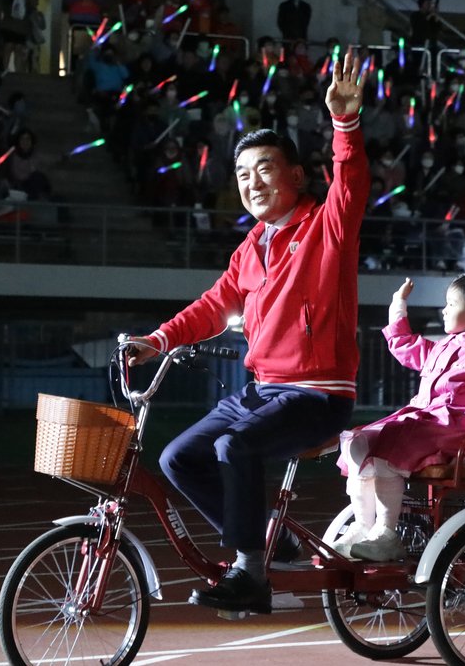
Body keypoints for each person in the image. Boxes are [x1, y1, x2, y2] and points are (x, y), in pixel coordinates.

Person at [122, 49, 369, 615]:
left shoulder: (326, 228)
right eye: (241, 174)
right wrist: (156, 340)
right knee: (179, 458)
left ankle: (250, 573)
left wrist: (345, 124)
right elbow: (214, 306)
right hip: (261, 392)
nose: (251, 181)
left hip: (318, 395)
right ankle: (269, 541)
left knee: (235, 447)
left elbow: (351, 184)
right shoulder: (250, 248)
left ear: (296, 176)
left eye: (264, 168)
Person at [332, 274, 465, 561]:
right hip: (423, 422)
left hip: (450, 426)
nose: (443, 310)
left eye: (450, 304)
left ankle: (386, 533)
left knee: (389, 447)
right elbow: (405, 345)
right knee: (358, 442)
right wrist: (398, 304)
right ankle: (363, 526)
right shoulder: (445, 347)